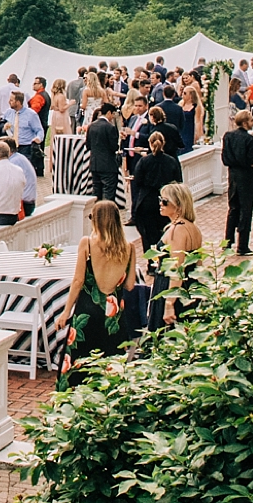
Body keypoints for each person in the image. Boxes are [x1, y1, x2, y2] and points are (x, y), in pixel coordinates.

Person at [59, 200, 144, 373]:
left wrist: (66, 312)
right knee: (111, 363)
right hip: (114, 315)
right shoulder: (129, 248)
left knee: (79, 363)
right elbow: (129, 285)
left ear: (97, 220)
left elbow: (78, 281)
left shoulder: (87, 243)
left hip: (87, 309)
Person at [153, 182, 204, 326]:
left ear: (178, 206)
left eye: (165, 201)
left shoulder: (177, 230)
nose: (161, 204)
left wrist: (169, 303)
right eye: (160, 200)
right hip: (190, 288)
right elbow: (199, 265)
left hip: (173, 290)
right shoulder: (194, 228)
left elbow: (177, 269)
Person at [129, 128, 182, 251]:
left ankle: (150, 261)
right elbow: (178, 181)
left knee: (147, 234)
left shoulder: (144, 161)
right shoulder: (171, 161)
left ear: (150, 143)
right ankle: (164, 258)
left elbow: (138, 180)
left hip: (147, 201)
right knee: (165, 233)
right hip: (166, 201)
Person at [220, 107, 253, 255]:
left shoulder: (228, 136)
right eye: (250, 120)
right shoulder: (250, 139)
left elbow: (225, 158)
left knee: (233, 208)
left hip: (233, 175)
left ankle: (228, 242)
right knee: (246, 210)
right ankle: (242, 245)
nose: (252, 122)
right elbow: (250, 160)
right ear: (244, 122)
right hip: (246, 177)